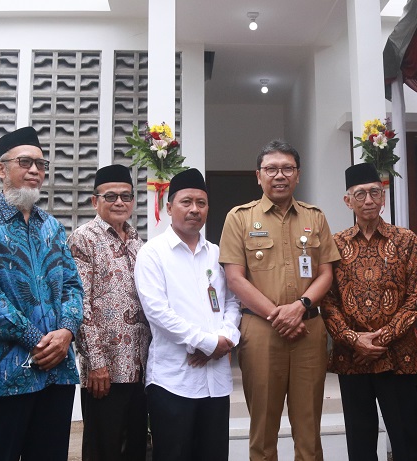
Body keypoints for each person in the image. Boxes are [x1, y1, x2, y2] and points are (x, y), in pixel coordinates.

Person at [0, 126, 83, 461]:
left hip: (57, 370)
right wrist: (38, 340)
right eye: (25, 162)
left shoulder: (52, 226)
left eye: (41, 165)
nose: (34, 171)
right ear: (1, 169)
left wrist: (67, 332)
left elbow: (73, 285)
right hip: (6, 370)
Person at [219, 140, 341, 461]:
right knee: (263, 431)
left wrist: (300, 307)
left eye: (287, 168)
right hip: (261, 331)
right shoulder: (239, 218)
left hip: (308, 329)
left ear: (298, 175)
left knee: (309, 431)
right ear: (258, 176)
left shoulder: (315, 217)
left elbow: (326, 273)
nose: (279, 175)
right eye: (271, 169)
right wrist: (278, 315)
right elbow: (234, 278)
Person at [134, 168, 240, 461]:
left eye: (202, 203)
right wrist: (208, 343)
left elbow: (233, 302)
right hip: (173, 380)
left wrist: (225, 340)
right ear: (169, 207)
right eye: (186, 202)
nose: (195, 209)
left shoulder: (218, 253)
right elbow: (157, 312)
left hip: (216, 382)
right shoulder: (153, 253)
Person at [322, 162, 417, 461]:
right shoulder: (335, 244)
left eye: (374, 193)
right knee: (360, 439)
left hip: (397, 354)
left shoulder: (406, 240)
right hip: (352, 356)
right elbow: (328, 300)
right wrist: (353, 338)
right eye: (360, 194)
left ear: (383, 197)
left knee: (405, 435)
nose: (368, 200)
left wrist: (383, 338)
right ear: (348, 201)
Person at [68, 164, 150, 461]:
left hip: (140, 368)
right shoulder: (83, 238)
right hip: (105, 372)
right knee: (103, 450)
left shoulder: (139, 243)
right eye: (111, 196)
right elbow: (80, 303)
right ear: (95, 201)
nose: (119, 202)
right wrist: (95, 363)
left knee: (136, 449)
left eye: (126, 196)